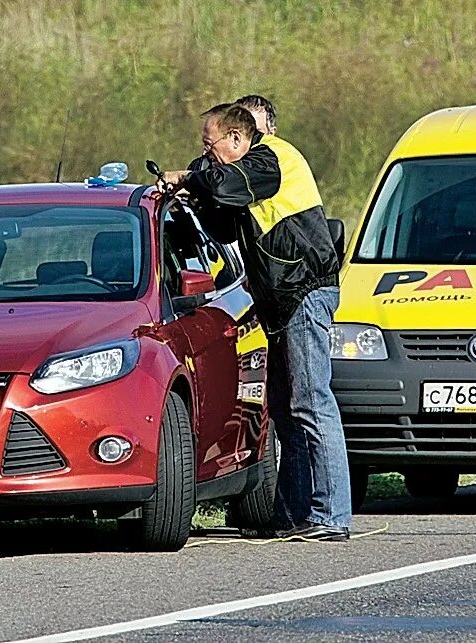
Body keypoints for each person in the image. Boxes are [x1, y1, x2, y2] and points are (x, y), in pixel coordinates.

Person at [157, 103, 351, 541]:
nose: (207, 155)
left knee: (311, 402)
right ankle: (295, 514)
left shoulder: (270, 157)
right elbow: (225, 225)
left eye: (211, 145)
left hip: (302, 290)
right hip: (279, 298)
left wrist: (190, 176)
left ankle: (332, 514)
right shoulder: (243, 173)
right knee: (285, 410)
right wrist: (195, 198)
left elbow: (226, 184)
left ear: (239, 139)